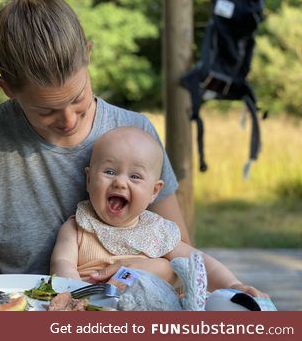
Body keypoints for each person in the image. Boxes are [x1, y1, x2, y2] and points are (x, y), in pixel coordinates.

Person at [0, 0, 189, 279]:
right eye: (46, 110)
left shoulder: (135, 133)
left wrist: (130, 271)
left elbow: (184, 262)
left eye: (77, 98)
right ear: (7, 89)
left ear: (88, 55)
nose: (68, 120)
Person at [50, 126, 267, 297]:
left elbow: (197, 263)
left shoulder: (156, 232)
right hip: (92, 307)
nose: (120, 182)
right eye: (109, 171)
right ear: (89, 179)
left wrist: (233, 284)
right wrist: (76, 293)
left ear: (154, 191)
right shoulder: (77, 227)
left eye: (135, 176)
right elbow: (62, 265)